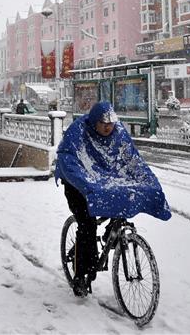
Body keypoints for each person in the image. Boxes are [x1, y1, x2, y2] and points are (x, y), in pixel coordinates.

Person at [55, 101, 171, 296]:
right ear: (94, 122)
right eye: (103, 123)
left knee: (122, 203)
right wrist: (88, 185)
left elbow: (133, 161)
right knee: (87, 225)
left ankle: (112, 233)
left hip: (104, 180)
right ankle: (80, 276)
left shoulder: (118, 133)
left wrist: (150, 184)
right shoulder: (78, 131)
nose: (108, 127)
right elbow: (69, 161)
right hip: (77, 184)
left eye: (111, 123)